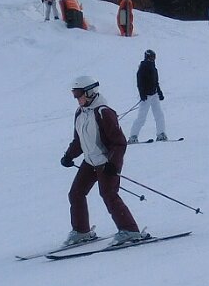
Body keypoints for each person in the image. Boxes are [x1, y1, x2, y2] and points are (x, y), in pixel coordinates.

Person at [59, 75, 147, 248]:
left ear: (90, 92)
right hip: (90, 161)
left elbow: (119, 142)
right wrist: (69, 156)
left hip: (106, 162)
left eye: (79, 93)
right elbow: (79, 141)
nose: (77, 98)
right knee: (76, 193)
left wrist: (113, 164)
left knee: (108, 194)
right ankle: (81, 231)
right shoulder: (80, 113)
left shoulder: (103, 112)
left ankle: (129, 230)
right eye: (74, 94)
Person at [128, 49, 167, 142]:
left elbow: (156, 82)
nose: (153, 59)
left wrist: (159, 92)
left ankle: (161, 134)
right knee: (142, 117)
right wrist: (142, 94)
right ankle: (133, 137)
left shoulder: (154, 68)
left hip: (154, 95)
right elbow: (139, 82)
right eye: (151, 57)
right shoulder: (143, 68)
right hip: (146, 96)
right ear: (147, 57)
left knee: (159, 115)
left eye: (154, 57)